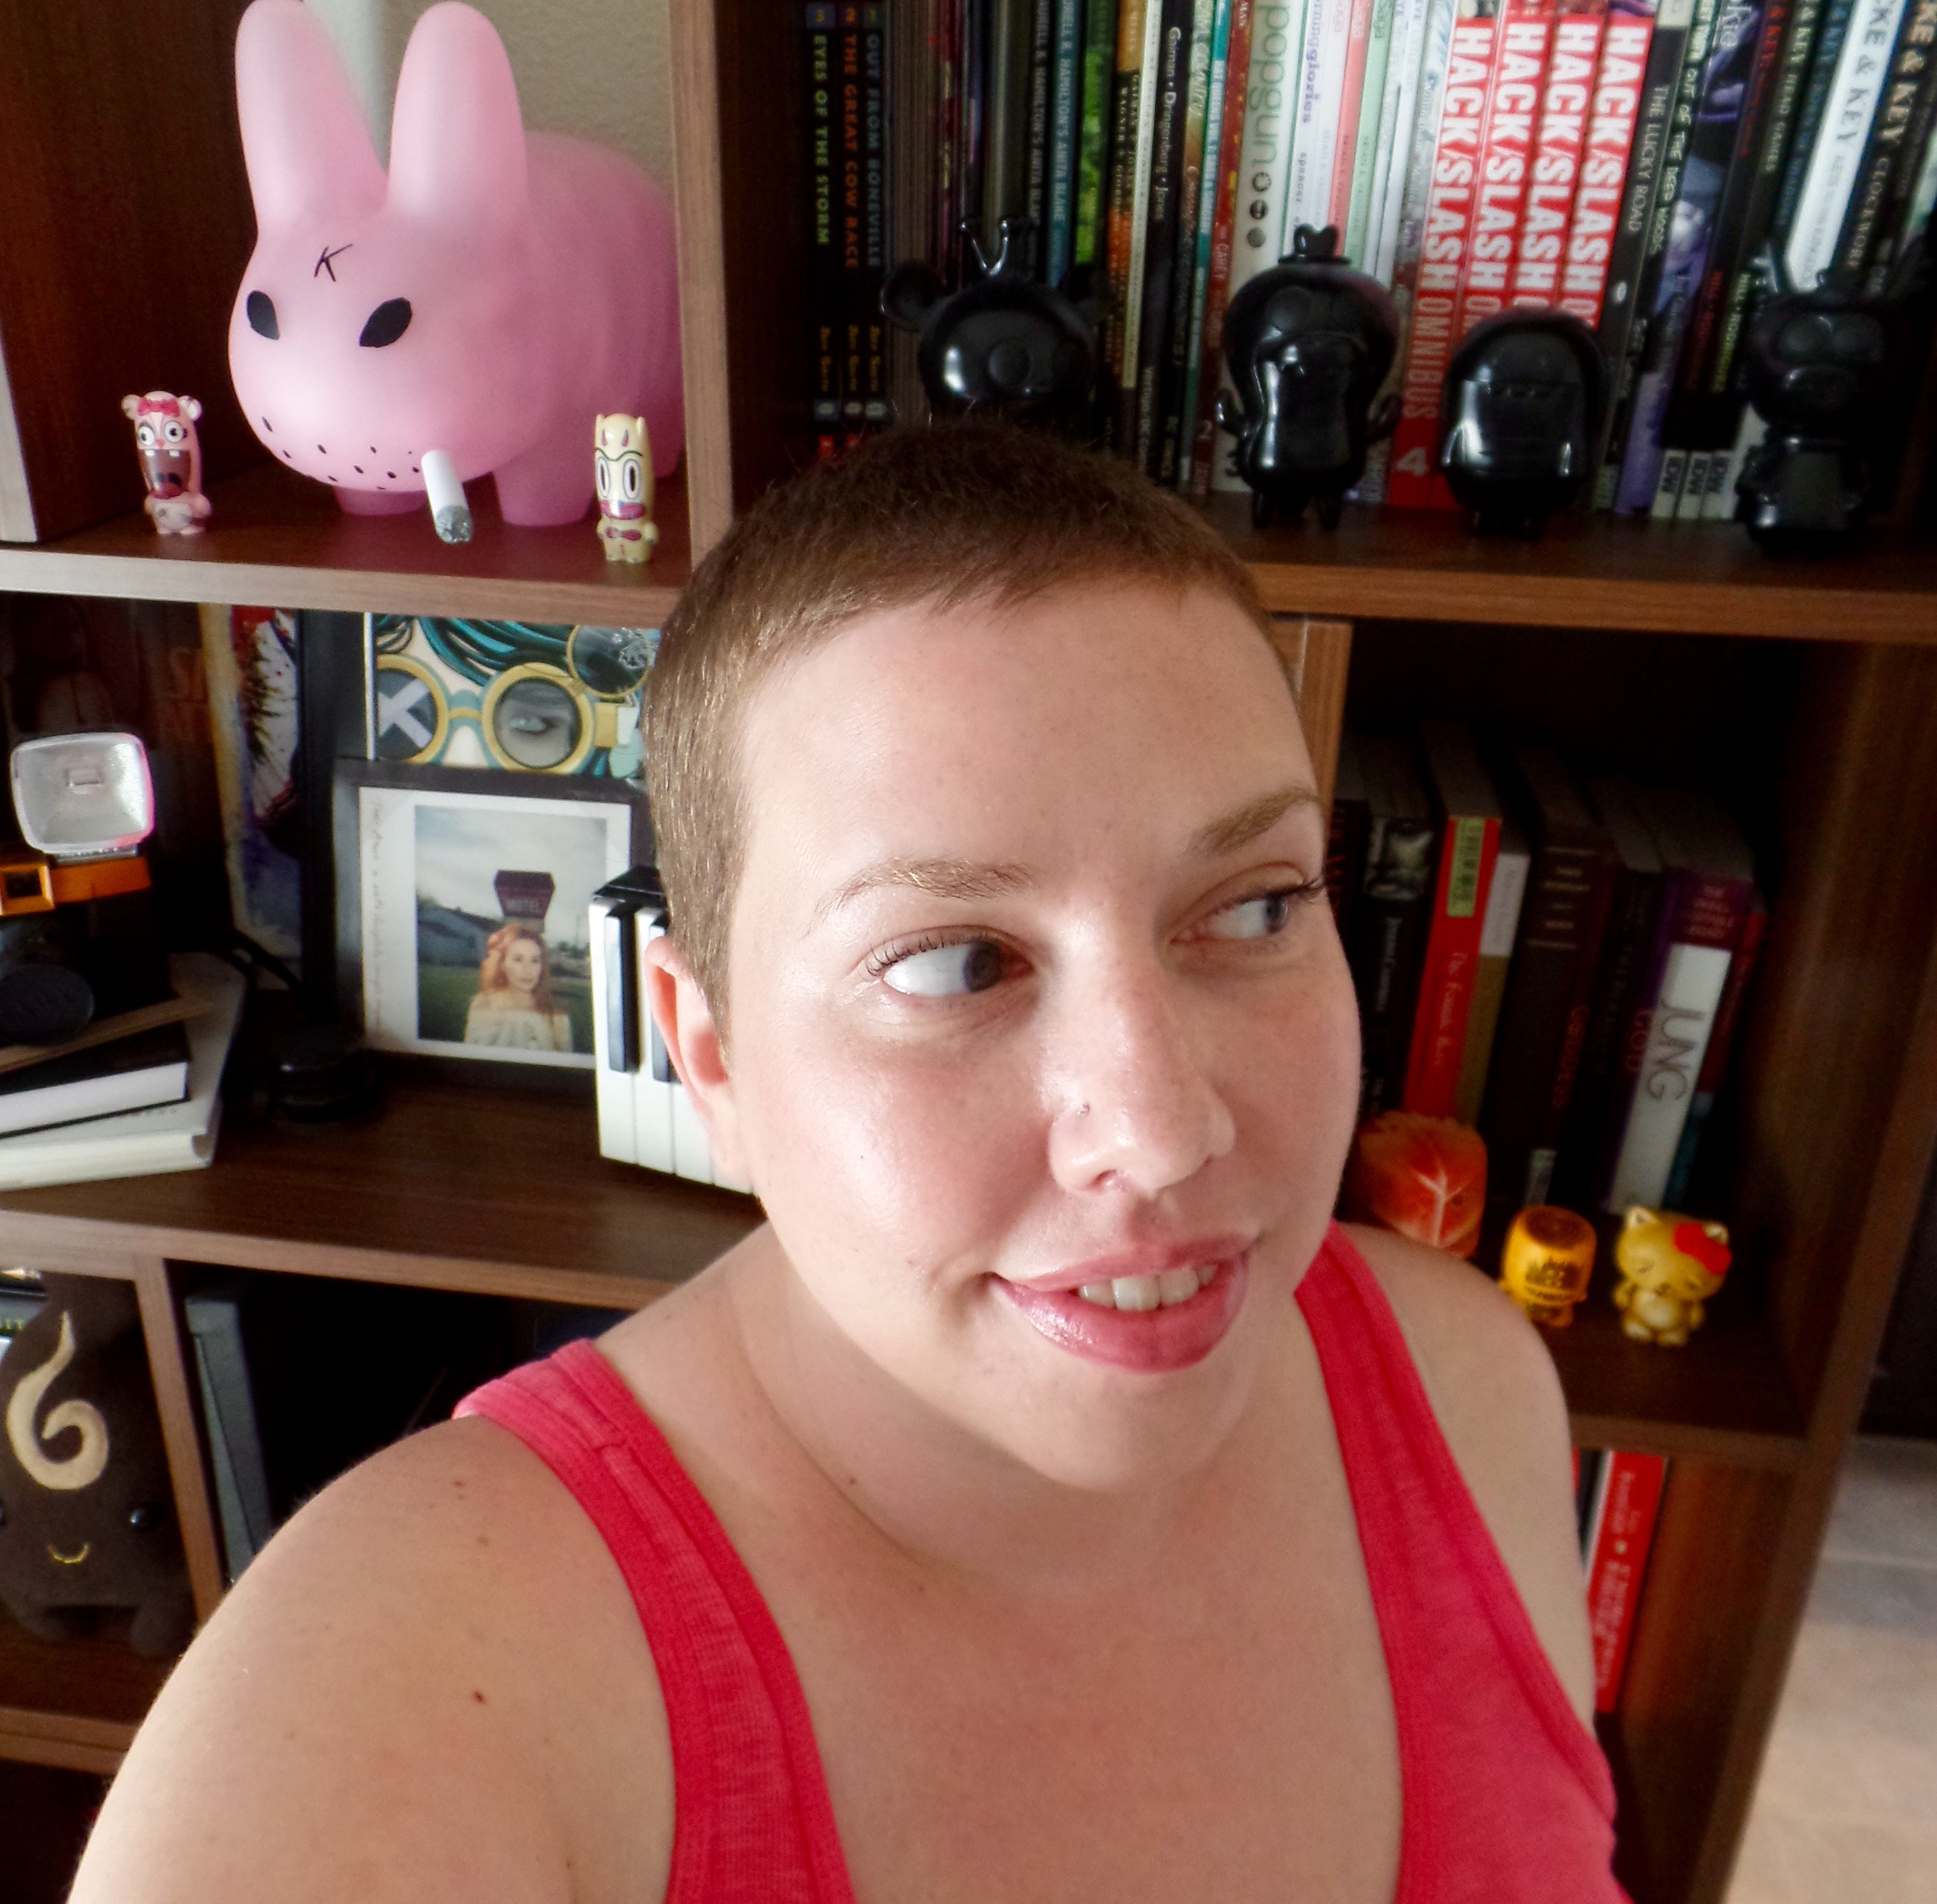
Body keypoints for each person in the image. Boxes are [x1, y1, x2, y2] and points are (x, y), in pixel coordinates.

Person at [73, 422, 1622, 1903]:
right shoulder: (419, 1672)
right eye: (955, 962)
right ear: (711, 1053)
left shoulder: (1469, 1386)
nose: (1162, 1129)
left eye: (1257, 905)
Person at [462, 922, 573, 1052]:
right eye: (518, 960)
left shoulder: (555, 1014)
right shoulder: (483, 1005)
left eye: (535, 961)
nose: (528, 970)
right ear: (502, 965)